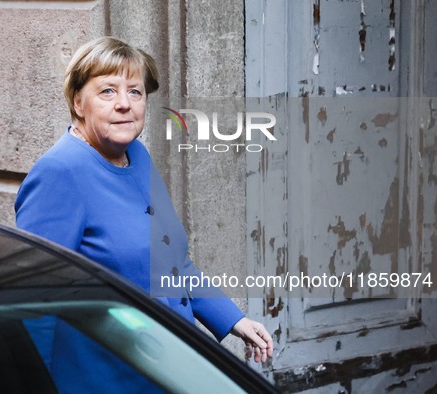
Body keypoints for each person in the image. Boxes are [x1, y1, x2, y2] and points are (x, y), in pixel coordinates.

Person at [15, 36, 273, 390]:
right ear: (78, 101)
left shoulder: (136, 156)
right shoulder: (60, 173)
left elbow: (173, 263)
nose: (125, 104)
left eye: (135, 92)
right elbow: (34, 300)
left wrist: (234, 320)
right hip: (106, 380)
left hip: (167, 369)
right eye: (107, 91)